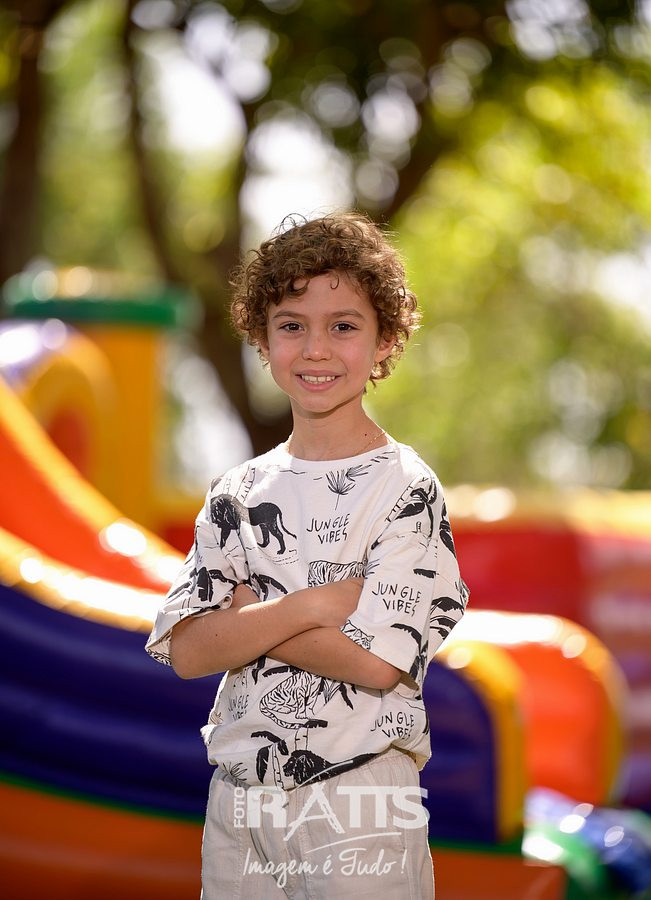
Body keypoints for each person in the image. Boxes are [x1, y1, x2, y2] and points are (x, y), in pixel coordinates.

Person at [146, 212, 469, 899]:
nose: (316, 348)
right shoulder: (236, 493)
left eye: (343, 326)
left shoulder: (404, 490)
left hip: (359, 794)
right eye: (291, 325)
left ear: (385, 341)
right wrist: (313, 606)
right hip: (240, 801)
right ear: (262, 342)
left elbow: (377, 663)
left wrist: (248, 620)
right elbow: (189, 650)